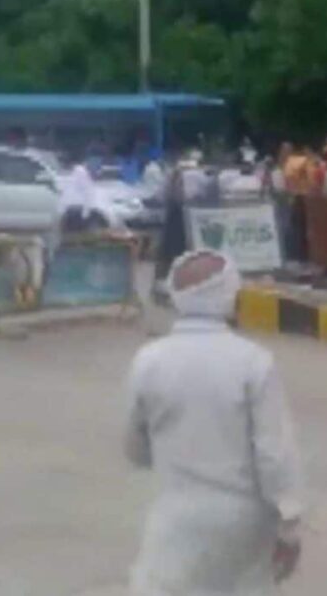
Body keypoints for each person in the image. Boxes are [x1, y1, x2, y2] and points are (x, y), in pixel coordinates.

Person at [126, 250, 304, 594]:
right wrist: (289, 523)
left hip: (176, 515)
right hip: (245, 521)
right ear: (229, 297)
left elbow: (134, 448)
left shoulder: (149, 361)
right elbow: (275, 452)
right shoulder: (254, 363)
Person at [59, 150, 99, 233]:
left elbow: (88, 191)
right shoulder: (62, 173)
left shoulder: (80, 171)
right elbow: (64, 193)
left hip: (78, 210)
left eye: (64, 161)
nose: (63, 163)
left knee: (78, 236)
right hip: (67, 211)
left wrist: (86, 212)